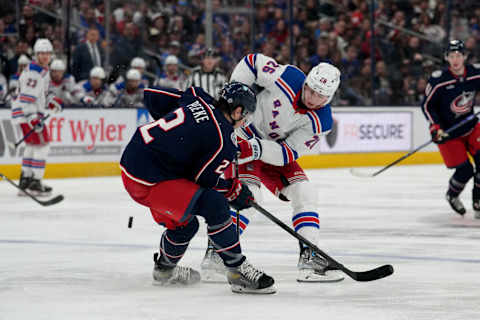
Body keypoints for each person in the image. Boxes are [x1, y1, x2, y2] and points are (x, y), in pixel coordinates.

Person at [200, 53, 344, 283]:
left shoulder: (322, 121)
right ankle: (218, 252)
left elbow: (288, 152)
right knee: (250, 195)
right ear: (306, 82)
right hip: (241, 135)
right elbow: (251, 62)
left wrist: (256, 149)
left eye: (321, 96)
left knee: (305, 192)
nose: (313, 98)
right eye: (311, 90)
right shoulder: (288, 76)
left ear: (330, 97)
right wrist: (236, 95)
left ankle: (310, 256)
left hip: (270, 151)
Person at [120, 82, 275, 294]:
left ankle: (164, 270)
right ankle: (237, 270)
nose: (245, 120)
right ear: (237, 110)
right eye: (245, 114)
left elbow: (152, 95)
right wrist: (232, 190)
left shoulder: (196, 97)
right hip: (150, 180)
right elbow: (203, 181)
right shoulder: (223, 140)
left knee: (185, 225)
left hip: (135, 159)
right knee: (216, 205)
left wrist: (175, 139)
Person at [421, 40, 480, 219]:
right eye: (452, 56)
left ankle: (478, 201)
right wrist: (435, 127)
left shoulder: (475, 73)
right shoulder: (439, 80)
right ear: (447, 58)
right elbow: (427, 106)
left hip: (471, 127)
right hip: (448, 133)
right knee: (465, 171)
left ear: (465, 57)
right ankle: (452, 195)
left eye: (459, 56)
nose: (455, 60)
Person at [11, 39, 63, 196]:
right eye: (42, 53)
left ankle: (25, 180)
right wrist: (33, 117)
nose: (45, 56)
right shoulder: (34, 72)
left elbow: (41, 94)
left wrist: (52, 101)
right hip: (28, 114)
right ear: (36, 54)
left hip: (25, 114)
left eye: (48, 53)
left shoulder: (41, 70)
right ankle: (35, 182)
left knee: (32, 146)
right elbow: (27, 98)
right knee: (43, 146)